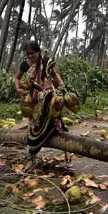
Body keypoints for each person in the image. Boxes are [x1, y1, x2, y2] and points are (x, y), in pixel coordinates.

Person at [14, 40, 79, 168]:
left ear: (38, 51)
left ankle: (67, 150)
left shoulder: (46, 62)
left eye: (32, 53)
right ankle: (31, 158)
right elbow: (17, 77)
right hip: (35, 101)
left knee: (57, 123)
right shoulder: (25, 64)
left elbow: (55, 75)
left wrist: (61, 85)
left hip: (50, 98)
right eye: (27, 54)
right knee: (34, 128)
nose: (30, 56)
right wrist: (18, 88)